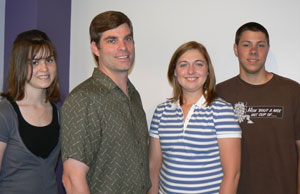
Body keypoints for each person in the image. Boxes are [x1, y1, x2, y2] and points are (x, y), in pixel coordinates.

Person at [61, 11, 151, 194]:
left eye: (127, 39)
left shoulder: (134, 96)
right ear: (95, 48)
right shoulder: (84, 99)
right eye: (112, 41)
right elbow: (72, 179)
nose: (123, 47)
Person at [216, 22, 300, 194]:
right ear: (236, 49)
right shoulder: (220, 93)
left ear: (267, 49)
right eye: (246, 45)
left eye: (260, 45)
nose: (253, 51)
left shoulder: (292, 91)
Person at [148, 41, 241, 194]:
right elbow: (153, 169)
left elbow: (232, 175)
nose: (191, 71)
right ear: (175, 72)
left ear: (208, 71)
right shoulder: (161, 112)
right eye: (183, 65)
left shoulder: (222, 111)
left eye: (198, 64)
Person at [0, 29, 61, 193]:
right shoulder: (4, 114)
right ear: (20, 66)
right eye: (34, 62)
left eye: (49, 60)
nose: (44, 68)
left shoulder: (60, 114)